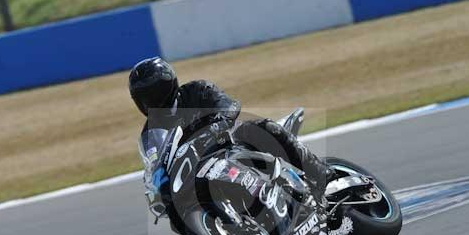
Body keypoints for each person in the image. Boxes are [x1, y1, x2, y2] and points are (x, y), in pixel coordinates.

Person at [128, 57, 336, 193]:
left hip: (228, 146)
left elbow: (228, 105)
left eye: (153, 93)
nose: (150, 101)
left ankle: (321, 173)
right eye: (144, 97)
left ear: (168, 86)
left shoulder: (197, 91)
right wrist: (155, 184)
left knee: (259, 127)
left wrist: (219, 121)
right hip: (198, 173)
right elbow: (154, 163)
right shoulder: (151, 133)